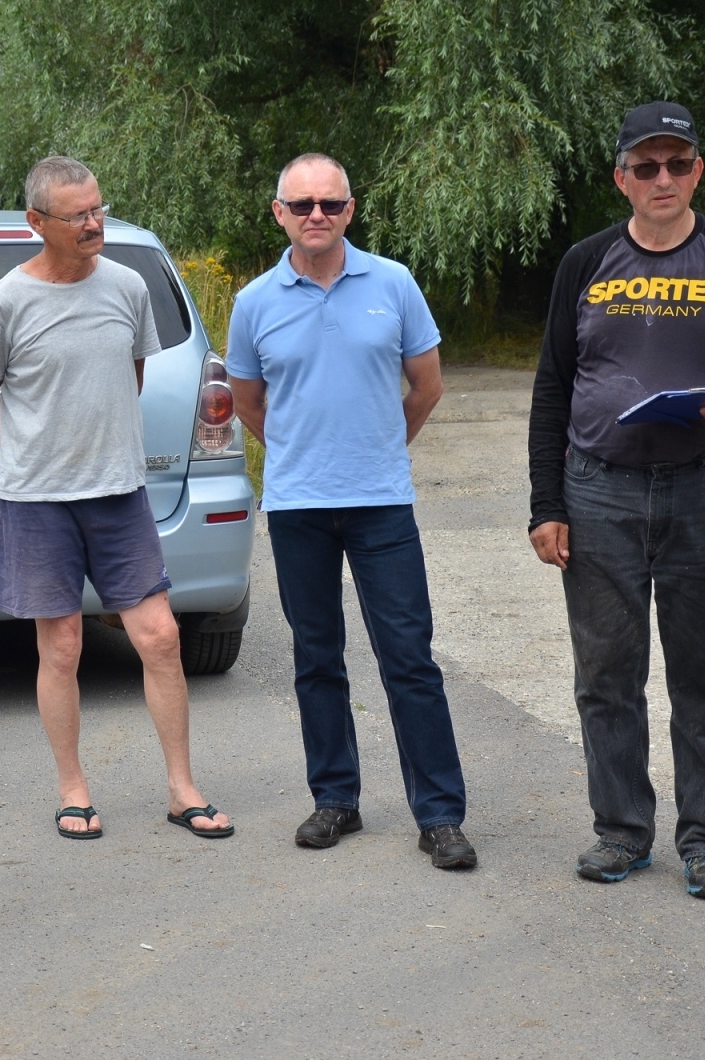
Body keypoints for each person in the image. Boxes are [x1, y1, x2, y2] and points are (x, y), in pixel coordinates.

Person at [527, 102, 705, 900]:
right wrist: (546, 504)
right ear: (620, 176)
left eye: (677, 164)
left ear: (696, 171)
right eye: (645, 166)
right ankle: (620, 832)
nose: (662, 179)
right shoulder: (586, 262)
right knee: (607, 675)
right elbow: (554, 385)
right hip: (599, 491)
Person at [0, 155, 232, 841]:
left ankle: (182, 789)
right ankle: (73, 789)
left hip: (119, 494)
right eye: (78, 214)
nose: (93, 223)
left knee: (162, 637)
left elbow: (131, 375)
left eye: (98, 209)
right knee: (61, 648)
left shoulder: (126, 286)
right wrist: (29, 455)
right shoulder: (6, 301)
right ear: (37, 223)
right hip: (38, 501)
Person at [226, 153, 476, 870]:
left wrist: (377, 449)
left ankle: (440, 816)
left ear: (350, 210)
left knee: (409, 660)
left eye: (329, 205)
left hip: (381, 507)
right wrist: (302, 451)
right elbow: (247, 401)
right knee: (317, 660)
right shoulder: (254, 302)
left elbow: (426, 386)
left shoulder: (393, 284)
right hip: (299, 507)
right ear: (279, 212)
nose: (315, 216)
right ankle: (335, 799)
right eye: (301, 205)